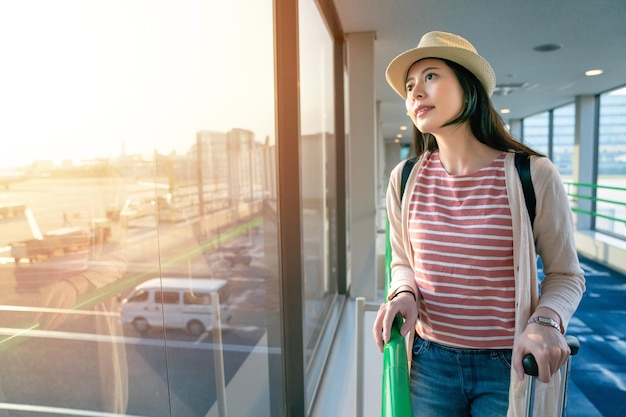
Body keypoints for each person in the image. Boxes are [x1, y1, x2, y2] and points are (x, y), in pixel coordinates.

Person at [372, 31, 585, 417]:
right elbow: (402, 261)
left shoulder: (532, 175)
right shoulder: (404, 178)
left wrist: (545, 321)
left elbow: (566, 275)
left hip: (506, 365)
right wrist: (403, 292)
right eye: (409, 86)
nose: (416, 92)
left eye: (431, 77)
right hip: (429, 361)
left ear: (468, 87)